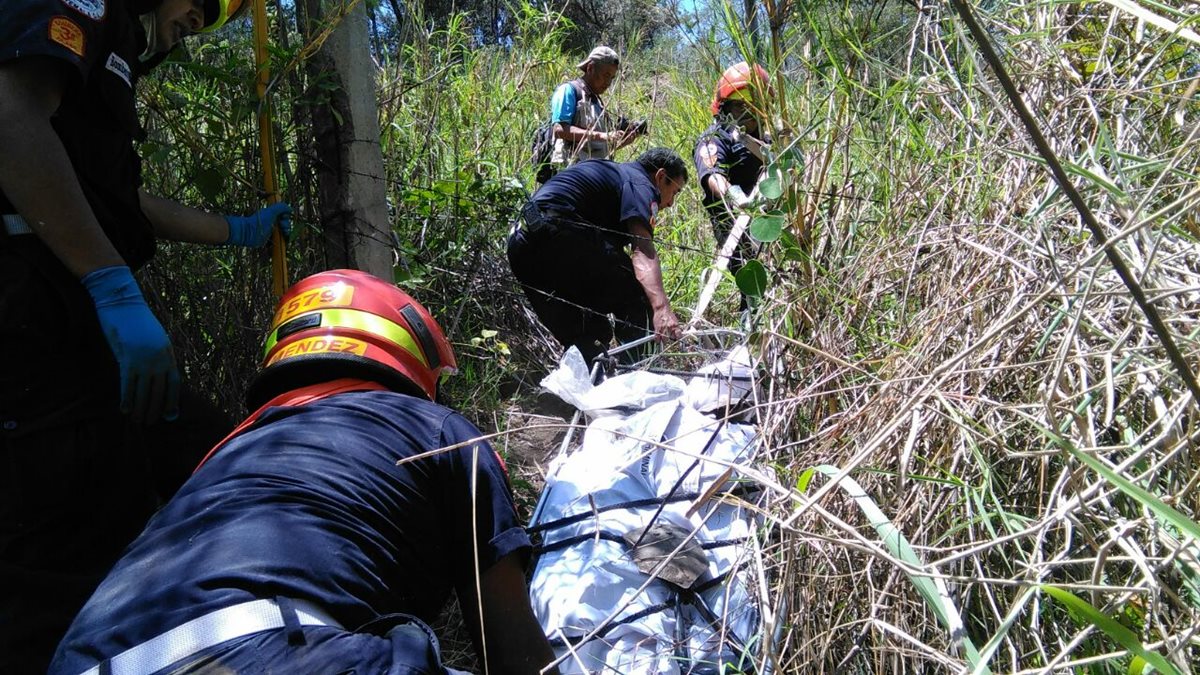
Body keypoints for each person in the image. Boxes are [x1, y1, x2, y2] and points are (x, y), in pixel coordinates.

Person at [49, 269, 558, 675]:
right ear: (411, 348)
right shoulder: (441, 430)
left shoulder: (227, 449)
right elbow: (514, 655)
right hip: (272, 650)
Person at [0, 0, 291, 670]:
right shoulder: (80, 8)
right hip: (33, 329)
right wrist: (111, 284)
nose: (207, 15)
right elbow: (11, 119)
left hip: (84, 335)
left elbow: (116, 198)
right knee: (61, 567)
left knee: (214, 464)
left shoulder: (117, 51)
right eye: (205, 1)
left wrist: (237, 229)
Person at [508, 147, 687, 364]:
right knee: (639, 296)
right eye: (674, 193)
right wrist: (661, 308)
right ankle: (640, 376)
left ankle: (583, 390)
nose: (670, 203)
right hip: (560, 232)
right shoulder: (640, 183)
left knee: (587, 332)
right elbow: (642, 249)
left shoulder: (611, 172)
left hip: (521, 242)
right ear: (660, 176)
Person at [693, 61, 771, 310]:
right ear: (726, 108)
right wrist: (736, 196)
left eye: (754, 105)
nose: (749, 113)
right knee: (752, 289)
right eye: (740, 105)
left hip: (769, 222)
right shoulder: (714, 139)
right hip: (734, 222)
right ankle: (749, 334)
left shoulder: (768, 140)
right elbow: (713, 176)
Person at [548, 45, 644, 171]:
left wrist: (622, 142)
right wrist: (604, 136)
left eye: (612, 78)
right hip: (571, 174)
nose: (609, 83)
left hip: (594, 175)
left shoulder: (598, 102)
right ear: (590, 68)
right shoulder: (569, 90)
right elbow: (559, 130)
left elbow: (598, 149)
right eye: (606, 75)